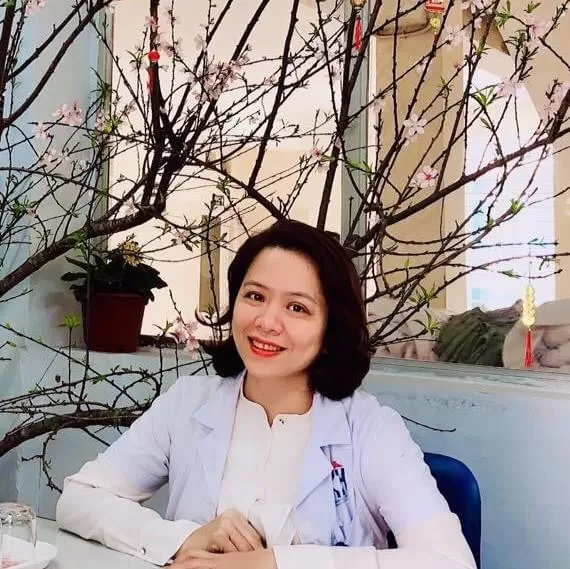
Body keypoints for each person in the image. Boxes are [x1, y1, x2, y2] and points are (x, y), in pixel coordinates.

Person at [56, 220, 476, 569]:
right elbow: (80, 498)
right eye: (255, 296)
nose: (267, 321)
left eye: (297, 308)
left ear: (331, 328)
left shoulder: (370, 429)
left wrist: (275, 562)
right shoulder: (189, 403)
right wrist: (182, 539)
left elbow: (448, 562)